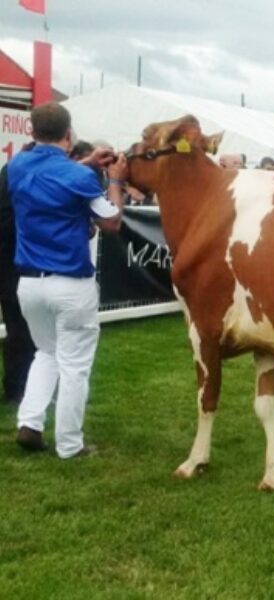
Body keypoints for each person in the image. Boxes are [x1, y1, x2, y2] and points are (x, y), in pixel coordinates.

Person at [7, 102, 127, 458]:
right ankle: (70, 444)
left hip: (29, 282)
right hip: (70, 282)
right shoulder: (78, 177)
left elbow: (51, 172)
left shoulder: (17, 165)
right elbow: (112, 222)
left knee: (46, 353)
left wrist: (88, 163)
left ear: (31, 132)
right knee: (75, 365)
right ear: (69, 134)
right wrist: (116, 180)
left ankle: (29, 422)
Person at [0, 158, 36, 405]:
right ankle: (17, 388)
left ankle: (19, 387)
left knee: (20, 328)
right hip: (13, 259)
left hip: (12, 258)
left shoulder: (11, 170)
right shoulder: (24, 174)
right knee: (19, 328)